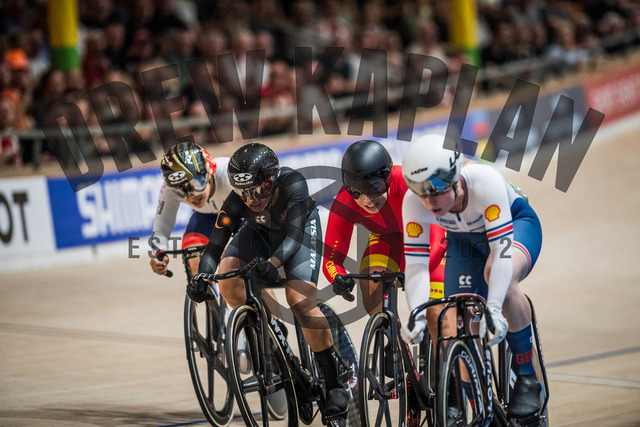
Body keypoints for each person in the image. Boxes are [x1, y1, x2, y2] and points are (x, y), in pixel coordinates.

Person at [188, 142, 349, 418]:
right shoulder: (238, 199)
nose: (251, 199)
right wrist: (202, 276)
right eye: (244, 192)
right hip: (260, 231)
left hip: (299, 232)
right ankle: (272, 334)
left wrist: (273, 264)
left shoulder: (292, 183)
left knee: (299, 301)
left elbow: (294, 237)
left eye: (258, 190)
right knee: (227, 278)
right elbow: (215, 245)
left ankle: (334, 384)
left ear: (271, 180)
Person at [400, 134, 543, 419]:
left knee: (500, 279)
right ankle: (482, 407)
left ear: (455, 178)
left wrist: (494, 306)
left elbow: (501, 253)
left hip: (515, 226)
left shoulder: (484, 181)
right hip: (464, 241)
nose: (429, 200)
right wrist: (416, 314)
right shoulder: (413, 202)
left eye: (436, 188)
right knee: (456, 320)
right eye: (419, 190)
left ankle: (527, 377)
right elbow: (416, 266)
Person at [324, 139, 408, 315]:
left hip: (423, 237)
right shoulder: (344, 202)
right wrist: (337, 276)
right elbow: (331, 258)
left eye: (374, 187)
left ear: (388, 178)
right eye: (356, 191)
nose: (366, 200)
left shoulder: (406, 182)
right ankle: (388, 330)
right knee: (370, 285)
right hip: (385, 238)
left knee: (432, 307)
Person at [148, 141, 231, 275]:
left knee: (234, 261)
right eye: (181, 190)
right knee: (193, 259)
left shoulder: (229, 174)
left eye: (195, 184)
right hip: (206, 218)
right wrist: (158, 252)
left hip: (241, 217)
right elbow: (162, 226)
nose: (191, 196)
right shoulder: (169, 190)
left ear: (209, 171)